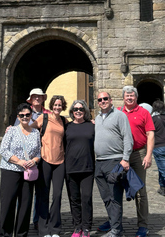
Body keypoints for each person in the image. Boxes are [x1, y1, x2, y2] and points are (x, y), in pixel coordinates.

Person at [104, 86, 153, 237]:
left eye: (132, 96)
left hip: (138, 154)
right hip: (119, 155)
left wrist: (149, 155)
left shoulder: (144, 113)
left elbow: (150, 135)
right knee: (114, 189)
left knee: (139, 190)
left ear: (136, 97)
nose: (129, 98)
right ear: (123, 97)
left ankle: (143, 225)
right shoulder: (117, 112)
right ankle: (113, 221)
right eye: (127, 96)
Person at [94, 92, 133, 237]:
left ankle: (116, 230)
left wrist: (125, 159)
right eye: (100, 100)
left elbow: (128, 138)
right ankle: (115, 226)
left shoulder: (120, 115)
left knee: (115, 197)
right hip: (99, 162)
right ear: (98, 102)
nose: (103, 101)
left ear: (111, 100)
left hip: (115, 161)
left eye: (105, 99)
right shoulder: (97, 118)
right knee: (106, 198)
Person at [0, 103, 41, 237]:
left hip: (28, 173)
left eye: (27, 115)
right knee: (8, 204)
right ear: (18, 116)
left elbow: (39, 153)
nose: (25, 117)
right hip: (10, 170)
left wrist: (34, 160)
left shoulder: (35, 133)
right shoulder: (11, 131)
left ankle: (21, 234)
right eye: (22, 115)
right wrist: (19, 161)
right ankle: (5, 234)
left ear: (31, 116)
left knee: (25, 205)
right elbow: (3, 150)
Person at [13, 88, 51, 230]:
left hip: (43, 157)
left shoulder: (48, 114)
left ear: (43, 99)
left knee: (41, 191)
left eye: (39, 96)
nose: (37, 99)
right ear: (31, 99)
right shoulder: (24, 113)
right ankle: (22, 220)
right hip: (26, 160)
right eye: (34, 96)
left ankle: (37, 220)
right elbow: (16, 131)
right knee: (23, 191)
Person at [31, 95, 67, 237]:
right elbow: (28, 129)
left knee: (57, 195)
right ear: (52, 106)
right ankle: (43, 228)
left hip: (60, 162)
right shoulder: (43, 118)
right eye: (55, 105)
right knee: (43, 195)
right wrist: (13, 129)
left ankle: (55, 228)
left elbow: (77, 128)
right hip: (45, 160)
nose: (57, 107)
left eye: (60, 105)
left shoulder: (64, 121)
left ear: (62, 106)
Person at [65, 100, 95, 237]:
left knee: (86, 198)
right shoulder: (67, 127)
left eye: (81, 109)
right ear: (72, 112)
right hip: (70, 168)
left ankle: (87, 227)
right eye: (75, 109)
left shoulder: (92, 126)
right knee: (74, 199)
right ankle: (77, 227)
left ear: (85, 111)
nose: (78, 111)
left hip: (87, 167)